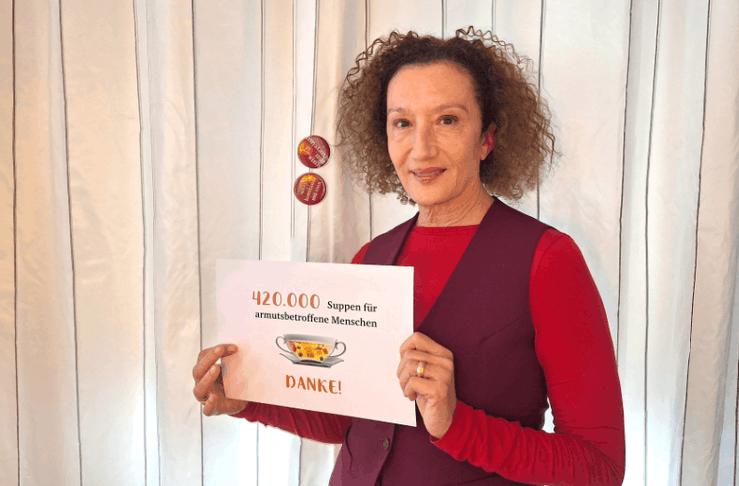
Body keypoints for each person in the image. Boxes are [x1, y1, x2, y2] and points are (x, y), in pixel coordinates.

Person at [192, 27, 625, 486]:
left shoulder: (547, 260)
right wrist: (248, 399)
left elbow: (599, 465)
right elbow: (352, 420)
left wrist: (456, 424)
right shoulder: (371, 257)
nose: (421, 148)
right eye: (402, 123)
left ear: (487, 138)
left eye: (447, 120)